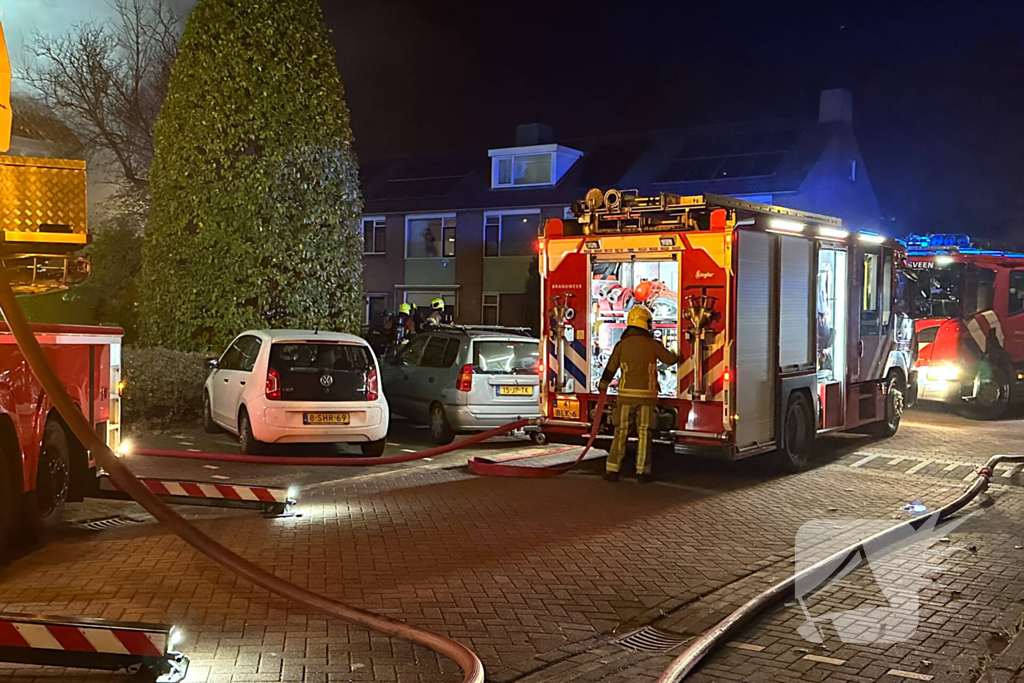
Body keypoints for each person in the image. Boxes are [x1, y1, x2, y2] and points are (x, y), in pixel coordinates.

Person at [598, 306, 679, 483]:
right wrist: (675, 349)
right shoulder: (652, 345)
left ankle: (612, 470)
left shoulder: (622, 345)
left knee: (621, 432)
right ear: (645, 323)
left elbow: (610, 368)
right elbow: (670, 360)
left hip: (625, 397)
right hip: (647, 398)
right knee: (644, 433)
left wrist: (603, 384)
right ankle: (642, 472)